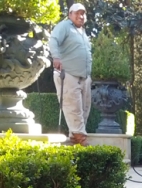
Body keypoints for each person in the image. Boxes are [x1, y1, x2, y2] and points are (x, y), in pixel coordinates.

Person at [50, 3, 92, 146]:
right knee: (73, 108)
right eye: (77, 13)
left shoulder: (82, 31)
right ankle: (81, 141)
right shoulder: (64, 26)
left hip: (84, 77)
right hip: (69, 75)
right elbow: (53, 40)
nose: (81, 16)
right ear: (70, 14)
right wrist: (55, 57)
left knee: (84, 109)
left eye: (83, 13)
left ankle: (74, 141)